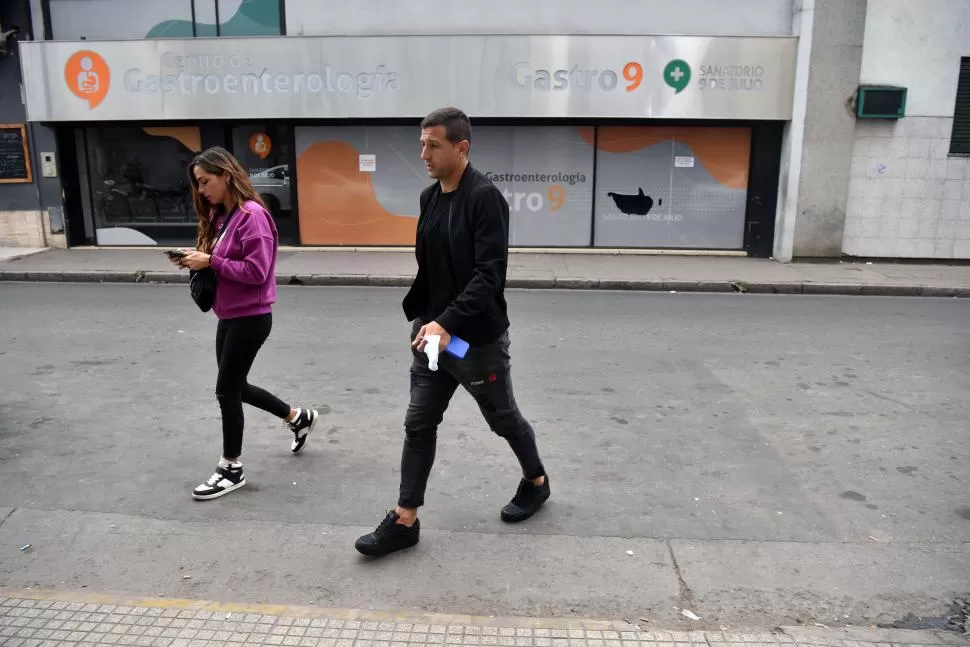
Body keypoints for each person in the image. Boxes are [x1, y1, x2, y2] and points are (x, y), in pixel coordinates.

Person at [355, 107, 550, 557]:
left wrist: (446, 323)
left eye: (433, 145)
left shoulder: (486, 199)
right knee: (418, 422)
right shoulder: (430, 198)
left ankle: (536, 481)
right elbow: (430, 265)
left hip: (473, 339)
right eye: (422, 143)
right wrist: (424, 320)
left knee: (503, 419)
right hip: (434, 336)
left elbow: (488, 275)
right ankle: (405, 519)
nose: (423, 152)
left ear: (461, 148)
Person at [170, 146, 320, 501]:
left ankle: (230, 468)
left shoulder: (252, 216)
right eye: (198, 184)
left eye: (206, 181)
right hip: (230, 315)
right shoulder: (224, 216)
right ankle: (298, 417)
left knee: (226, 391)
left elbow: (257, 272)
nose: (202, 190)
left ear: (226, 174)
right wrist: (198, 259)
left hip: (250, 318)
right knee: (235, 386)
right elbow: (222, 260)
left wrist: (210, 262)